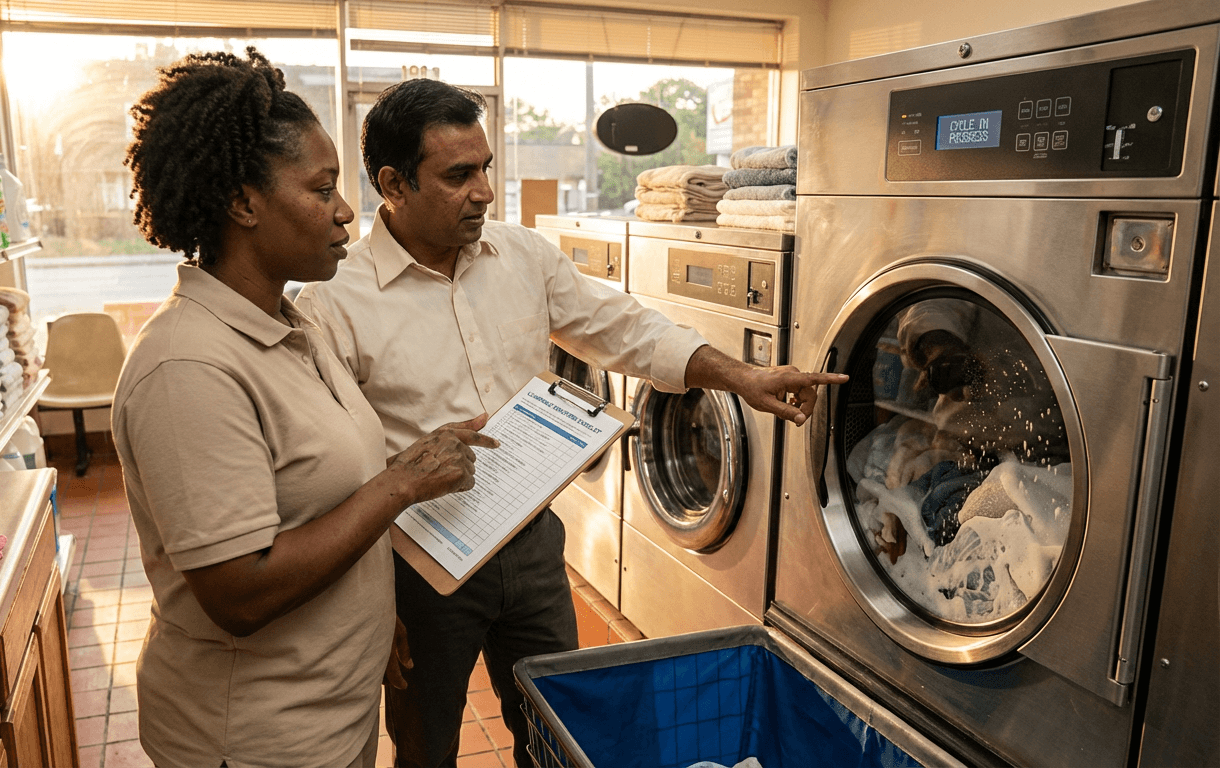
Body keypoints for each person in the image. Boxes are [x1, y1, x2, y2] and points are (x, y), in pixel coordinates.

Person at [306, 77, 848, 768]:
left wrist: (742, 375)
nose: (484, 192)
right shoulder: (335, 302)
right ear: (394, 183)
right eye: (458, 175)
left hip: (530, 546)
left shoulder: (521, 257)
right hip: (420, 570)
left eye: (486, 169)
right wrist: (373, 601)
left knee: (564, 728)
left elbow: (624, 329)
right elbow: (336, 473)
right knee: (425, 743)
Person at [113, 50, 497, 768]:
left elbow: (321, 493)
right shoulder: (188, 366)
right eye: (322, 190)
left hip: (326, 712)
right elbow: (240, 592)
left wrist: (377, 610)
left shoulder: (293, 323)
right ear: (242, 202)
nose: (347, 211)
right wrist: (403, 481)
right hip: (254, 737)